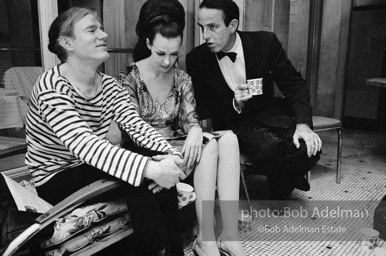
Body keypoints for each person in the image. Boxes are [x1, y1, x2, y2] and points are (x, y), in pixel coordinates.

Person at [25, 7, 186, 256]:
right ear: (66, 42)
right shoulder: (51, 86)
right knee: (140, 172)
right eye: (92, 29)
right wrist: (149, 168)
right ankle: (157, 249)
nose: (104, 34)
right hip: (56, 175)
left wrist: (169, 154)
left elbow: (136, 125)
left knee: (150, 156)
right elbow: (84, 143)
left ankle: (172, 250)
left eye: (101, 27)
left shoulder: (110, 85)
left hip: (90, 165)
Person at [119, 0, 246, 255]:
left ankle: (229, 236)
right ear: (147, 45)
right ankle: (206, 240)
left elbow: (190, 117)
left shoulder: (182, 78)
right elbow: (129, 127)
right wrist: (184, 143)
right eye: (161, 53)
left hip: (180, 143)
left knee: (229, 138)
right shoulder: (129, 77)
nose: (168, 62)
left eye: (174, 54)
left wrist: (196, 129)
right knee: (209, 149)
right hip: (150, 150)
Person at [186, 0, 322, 200]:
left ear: (232, 25)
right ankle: (284, 186)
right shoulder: (197, 59)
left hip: (269, 116)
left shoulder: (264, 44)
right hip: (232, 125)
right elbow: (202, 107)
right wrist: (234, 103)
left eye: (213, 27)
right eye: (202, 27)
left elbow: (294, 84)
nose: (205, 36)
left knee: (309, 146)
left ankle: (282, 181)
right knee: (270, 150)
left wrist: (303, 124)